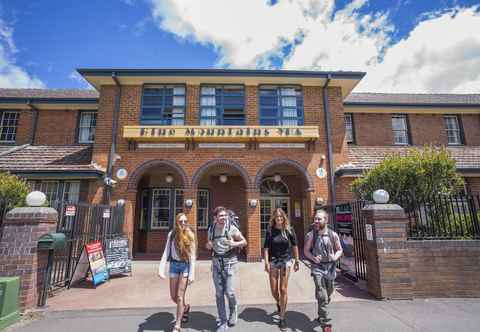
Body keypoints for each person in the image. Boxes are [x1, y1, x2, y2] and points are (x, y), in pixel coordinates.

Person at [206, 206, 247, 332]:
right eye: (221, 216)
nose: (223, 218)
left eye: (225, 215)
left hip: (230, 263)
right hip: (217, 263)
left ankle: (233, 310)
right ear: (215, 218)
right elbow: (209, 244)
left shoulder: (231, 228)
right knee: (219, 294)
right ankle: (223, 322)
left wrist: (233, 244)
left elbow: (244, 242)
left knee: (230, 292)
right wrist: (208, 245)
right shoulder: (211, 229)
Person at [303, 209, 343, 332]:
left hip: (330, 267)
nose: (316, 221)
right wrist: (313, 258)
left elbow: (339, 249)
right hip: (317, 268)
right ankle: (326, 323)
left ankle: (321, 313)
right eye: (315, 218)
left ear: (326, 220)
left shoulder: (333, 234)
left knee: (328, 292)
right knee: (322, 293)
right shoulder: (311, 235)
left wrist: (335, 257)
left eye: (319, 219)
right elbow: (306, 251)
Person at [159, 213, 196, 332]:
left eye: (185, 221)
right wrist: (161, 268)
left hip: (185, 266)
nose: (183, 223)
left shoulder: (190, 235)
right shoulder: (172, 234)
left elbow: (192, 256)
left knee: (180, 297)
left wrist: (192, 274)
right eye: (181, 222)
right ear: (176, 223)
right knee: (173, 296)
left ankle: (177, 325)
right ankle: (185, 308)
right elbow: (166, 252)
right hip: (174, 266)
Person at [263, 208, 300, 331]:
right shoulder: (270, 231)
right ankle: (279, 302)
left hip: (286, 261)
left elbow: (294, 245)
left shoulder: (289, 230)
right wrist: (266, 263)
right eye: (277, 217)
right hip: (273, 261)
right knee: (274, 290)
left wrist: (297, 260)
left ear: (284, 217)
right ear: (274, 218)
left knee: (283, 289)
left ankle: (282, 318)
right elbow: (266, 248)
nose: (279, 219)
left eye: (281, 216)